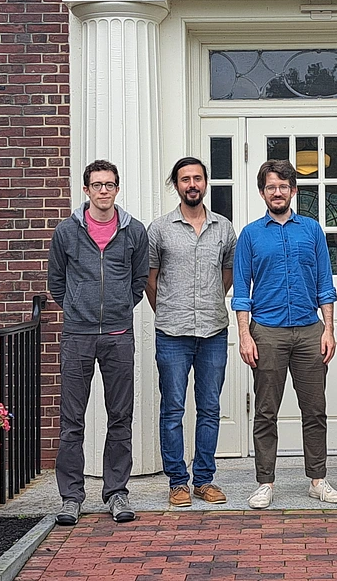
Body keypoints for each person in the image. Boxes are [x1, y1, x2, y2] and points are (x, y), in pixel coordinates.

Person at [232, 159, 337, 509]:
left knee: (315, 410)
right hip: (266, 332)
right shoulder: (250, 234)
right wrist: (244, 336)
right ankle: (265, 482)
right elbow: (240, 290)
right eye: (271, 187)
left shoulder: (311, 230)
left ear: (293, 191)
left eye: (283, 186)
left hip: (310, 331)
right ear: (262, 192)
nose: (277, 192)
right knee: (266, 411)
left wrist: (329, 330)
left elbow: (325, 284)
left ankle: (318, 480)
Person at [47, 159, 149, 526]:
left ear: (116, 189)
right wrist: (77, 307)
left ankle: (117, 492)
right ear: (86, 190)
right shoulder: (66, 232)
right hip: (77, 335)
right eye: (97, 185)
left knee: (119, 417)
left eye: (110, 184)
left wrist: (120, 307)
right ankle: (71, 497)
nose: (104, 190)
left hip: (118, 336)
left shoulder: (134, 231)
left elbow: (139, 281)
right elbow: (57, 282)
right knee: (71, 420)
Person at [145, 157, 237, 508]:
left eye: (197, 178)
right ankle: (177, 482)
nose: (192, 184)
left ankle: (204, 480)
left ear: (205, 183)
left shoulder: (224, 228)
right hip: (172, 332)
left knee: (210, 408)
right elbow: (150, 281)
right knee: (173, 409)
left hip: (213, 330)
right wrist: (168, 309)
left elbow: (227, 275)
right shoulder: (160, 229)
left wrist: (210, 301)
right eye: (185, 179)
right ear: (177, 185)